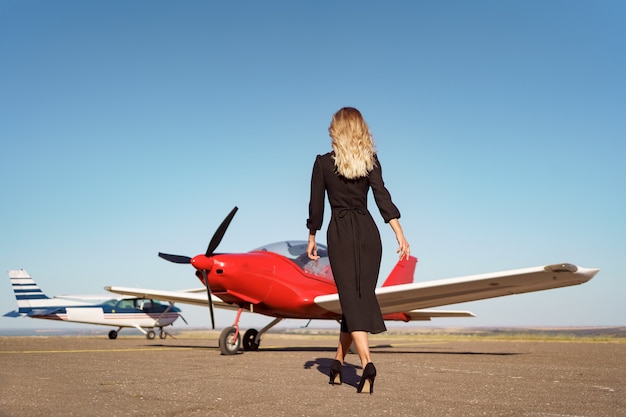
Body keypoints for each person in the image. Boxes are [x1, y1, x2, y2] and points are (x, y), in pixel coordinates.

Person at [306, 107, 410, 394]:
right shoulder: (370, 161)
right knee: (357, 299)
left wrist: (312, 235)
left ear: (335, 130)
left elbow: (317, 204)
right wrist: (399, 233)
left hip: (339, 233)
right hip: (368, 233)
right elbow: (382, 197)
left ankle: (367, 364)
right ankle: (338, 363)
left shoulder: (323, 163)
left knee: (352, 300)